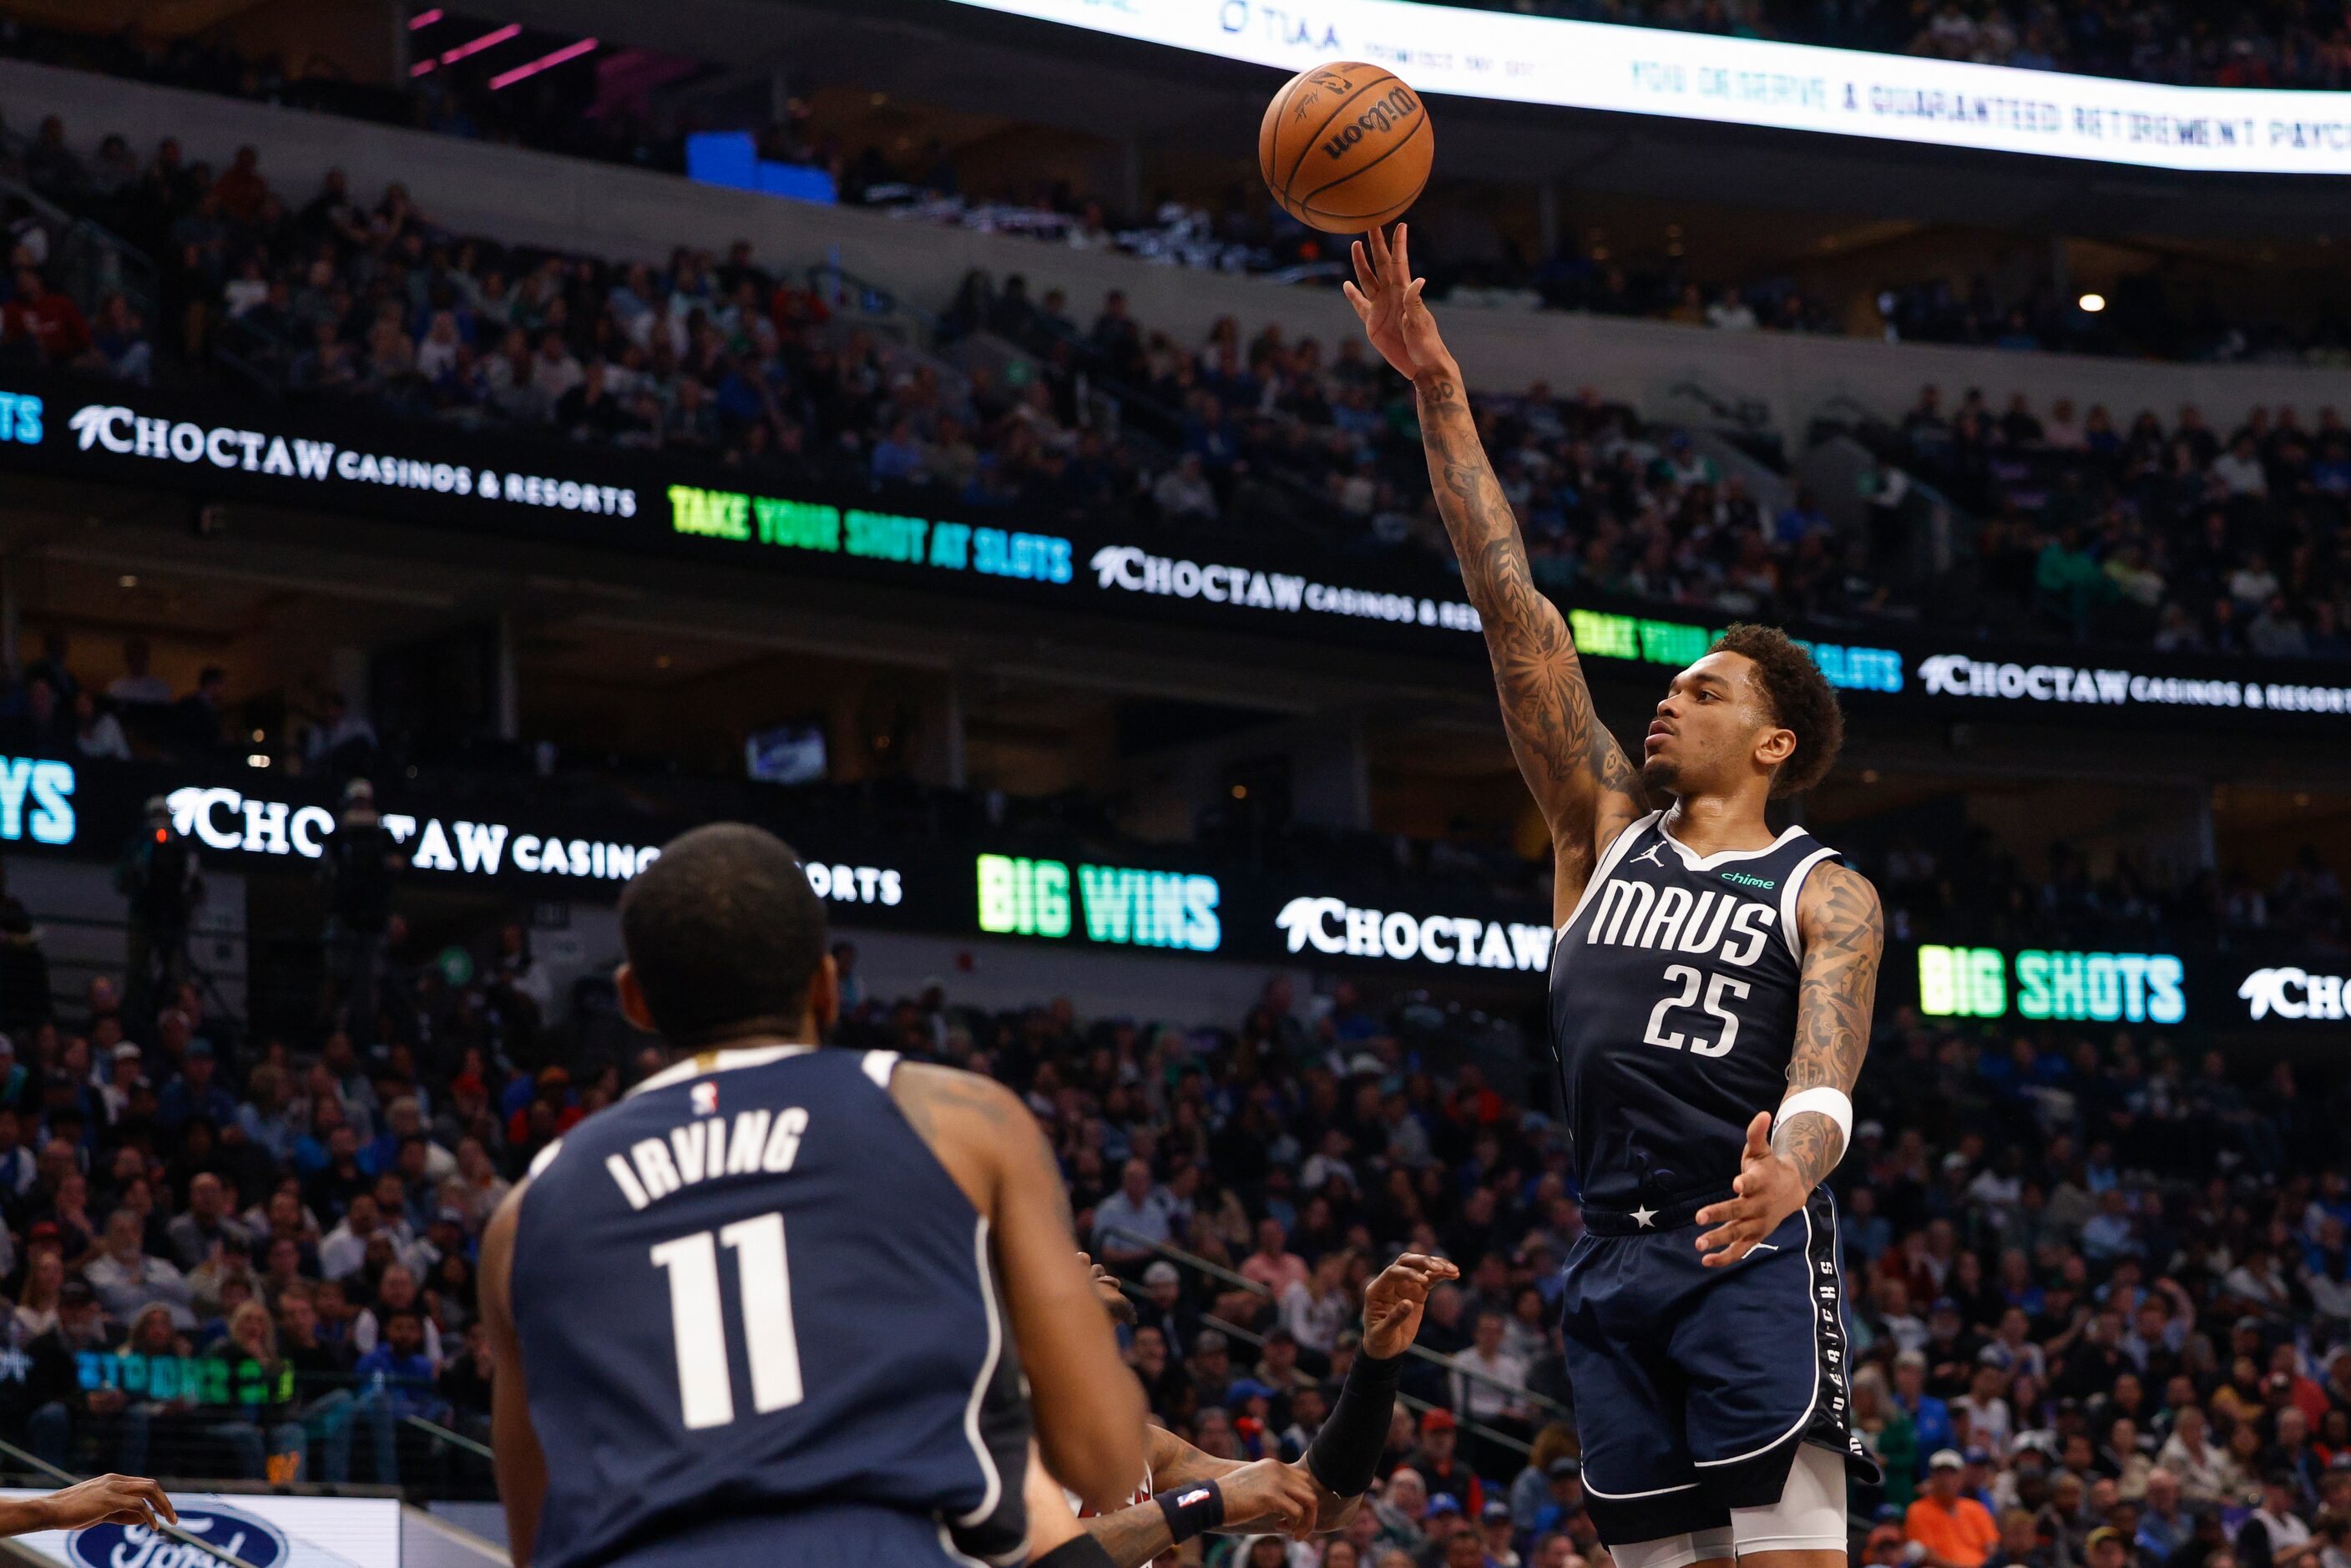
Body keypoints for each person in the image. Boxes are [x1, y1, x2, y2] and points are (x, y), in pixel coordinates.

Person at [1347, 223, 1884, 1568]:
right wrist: (1435, 385)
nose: (1671, 693)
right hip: (1607, 1263)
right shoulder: (1599, 831)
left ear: (1774, 744)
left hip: (1744, 1245)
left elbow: (1827, 1075)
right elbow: (1508, 598)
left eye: (1708, 688)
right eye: (1672, 680)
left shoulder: (1825, 888)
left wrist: (1791, 1176)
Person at [480, 823, 1145, 1567]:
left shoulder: (524, 1214)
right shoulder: (960, 1121)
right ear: (826, 984)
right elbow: (1103, 1458)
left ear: (634, 999)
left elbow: (536, 1542)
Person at [1049, 1251, 1459, 1567]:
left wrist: (1377, 1363)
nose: (1089, 1259)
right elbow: (1045, 1556)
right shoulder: (995, 1426)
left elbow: (1327, 1500)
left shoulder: (1142, 1445)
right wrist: (1208, 1500)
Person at [318, 780, 402, 1050]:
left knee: (371, 984)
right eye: (356, 802)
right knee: (337, 976)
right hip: (344, 919)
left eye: (364, 802)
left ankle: (366, 1036)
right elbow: (325, 874)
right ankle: (328, 1030)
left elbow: (397, 867)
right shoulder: (338, 837)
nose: (361, 807)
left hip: (373, 922)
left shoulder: (382, 837)